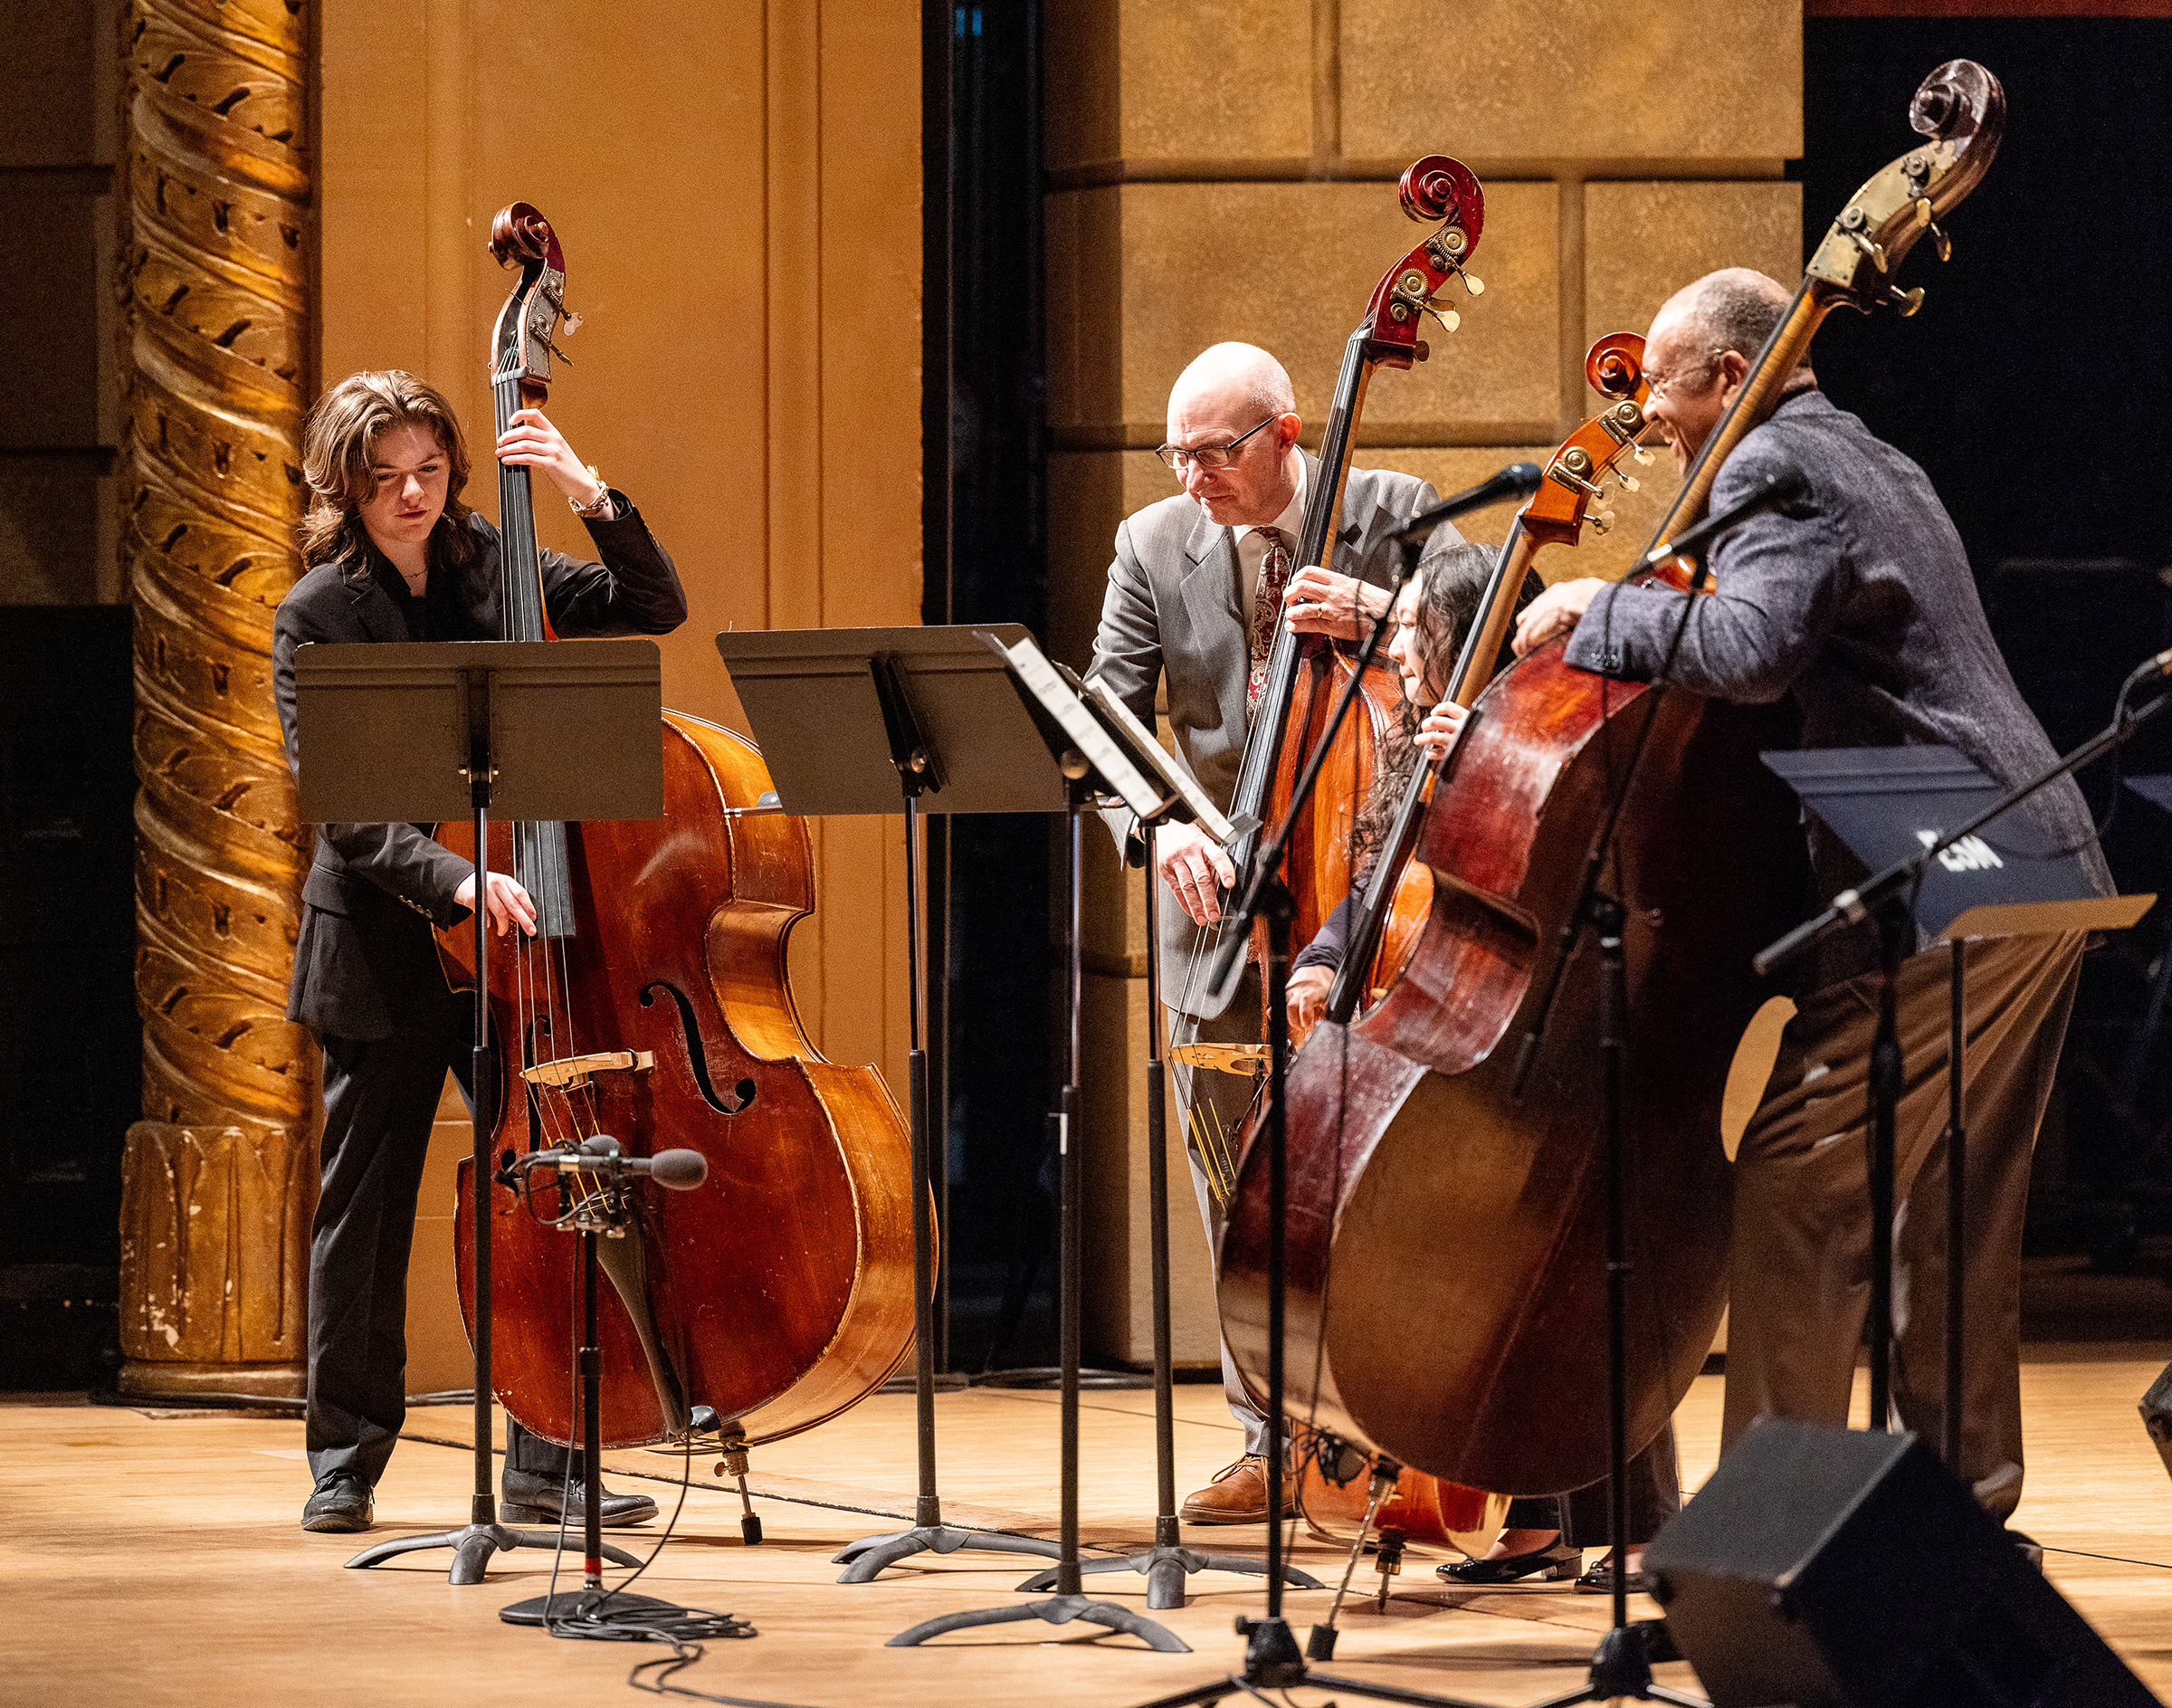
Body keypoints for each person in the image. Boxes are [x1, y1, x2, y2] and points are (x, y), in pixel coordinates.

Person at [1513, 268, 2108, 1531]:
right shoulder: (1869, 457)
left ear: (1731, 372)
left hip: (1952, 864)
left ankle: (1766, 1546)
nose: (1657, 417)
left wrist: (1591, 608)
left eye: (1667, 387)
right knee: (1950, 1215)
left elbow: (1750, 647)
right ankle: (1958, 1526)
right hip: (2037, 864)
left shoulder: (1770, 463)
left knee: (1797, 1176)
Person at [271, 370, 689, 1533]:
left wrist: (585, 490)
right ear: (346, 487)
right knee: (365, 1208)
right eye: (387, 478)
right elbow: (346, 809)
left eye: (431, 472)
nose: (413, 496)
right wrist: (455, 880)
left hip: (522, 948)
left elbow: (654, 605)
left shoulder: (499, 567)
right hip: (391, 951)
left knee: (545, 1197)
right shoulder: (319, 612)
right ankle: (345, 1461)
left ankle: (549, 1462)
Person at [1085, 340, 1463, 1522]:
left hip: (1361, 883)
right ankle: (1269, 1435)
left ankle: (1391, 1429)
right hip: (1215, 900)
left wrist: (1387, 608)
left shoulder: (1392, 510)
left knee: (1371, 1169)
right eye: (1177, 454)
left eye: (1215, 451)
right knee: (1229, 1174)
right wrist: (1160, 826)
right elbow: (1104, 716)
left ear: (1285, 435)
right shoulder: (1152, 544)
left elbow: (1504, 614)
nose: (1193, 476)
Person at [1282, 542, 1676, 1593]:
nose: (1401, 650)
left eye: (1418, 631)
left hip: (1560, 1025)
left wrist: (1486, 760)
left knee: (1584, 1279)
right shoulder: (1423, 739)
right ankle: (1535, 1523)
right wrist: (1324, 960)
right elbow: (1390, 888)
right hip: (1478, 1033)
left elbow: (1579, 867)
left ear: (1473, 640)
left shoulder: (1559, 728)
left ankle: (1640, 1528)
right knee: (1501, 1292)